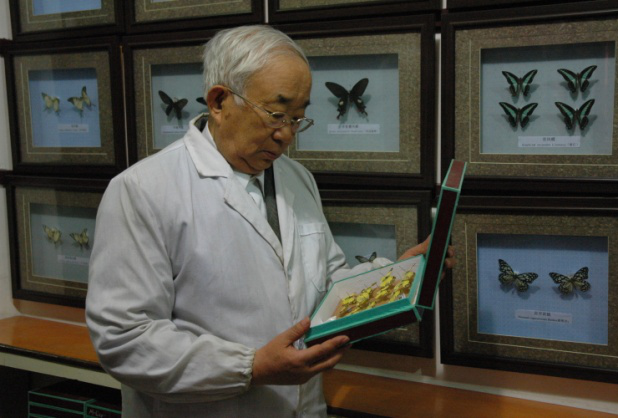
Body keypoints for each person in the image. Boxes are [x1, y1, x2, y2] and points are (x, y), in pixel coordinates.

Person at [86, 25, 452, 417]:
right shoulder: (143, 190)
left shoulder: (297, 178)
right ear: (219, 101)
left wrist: (396, 279)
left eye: (298, 118)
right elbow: (124, 338)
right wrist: (251, 367)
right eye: (277, 114)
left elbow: (327, 284)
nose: (286, 136)